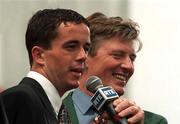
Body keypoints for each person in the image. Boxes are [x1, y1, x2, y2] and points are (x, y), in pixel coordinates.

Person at [63, 12, 168, 124]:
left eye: (132, 59)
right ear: (86, 56)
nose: (129, 66)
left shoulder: (152, 122)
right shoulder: (50, 112)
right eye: (117, 55)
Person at [0, 8, 91, 124]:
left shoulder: (52, 107)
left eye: (86, 49)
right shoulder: (21, 98)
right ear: (39, 55)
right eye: (71, 46)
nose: (83, 56)